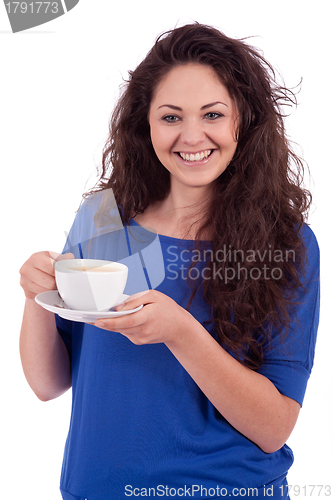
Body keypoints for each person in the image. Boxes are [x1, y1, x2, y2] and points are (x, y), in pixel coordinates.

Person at [19, 23, 320, 500]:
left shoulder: (287, 243)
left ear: (245, 120)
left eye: (213, 114)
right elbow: (47, 383)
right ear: (147, 124)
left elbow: (274, 427)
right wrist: (37, 297)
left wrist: (181, 334)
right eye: (171, 117)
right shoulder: (103, 218)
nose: (192, 135)